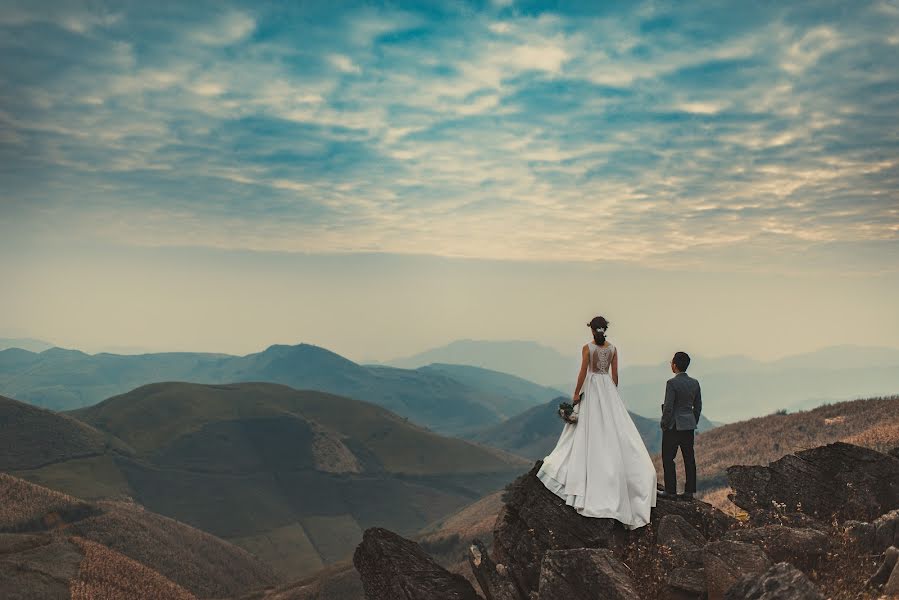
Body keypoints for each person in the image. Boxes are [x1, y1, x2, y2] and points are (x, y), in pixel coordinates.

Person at [536, 316, 658, 529]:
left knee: (589, 428)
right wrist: (612, 395)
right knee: (613, 427)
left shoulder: (588, 348)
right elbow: (615, 375)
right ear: (605, 329)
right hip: (607, 388)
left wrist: (576, 394)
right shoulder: (613, 349)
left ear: (592, 330)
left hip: (592, 386)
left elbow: (583, 372)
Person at [659, 351, 702, 500]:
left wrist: (664, 423)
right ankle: (689, 492)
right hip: (688, 426)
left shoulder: (671, 383)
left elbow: (669, 407)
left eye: (671, 362)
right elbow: (698, 407)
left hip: (673, 426)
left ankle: (670, 491)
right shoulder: (695, 383)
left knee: (668, 458)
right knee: (689, 458)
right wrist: (692, 421)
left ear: (675, 365)